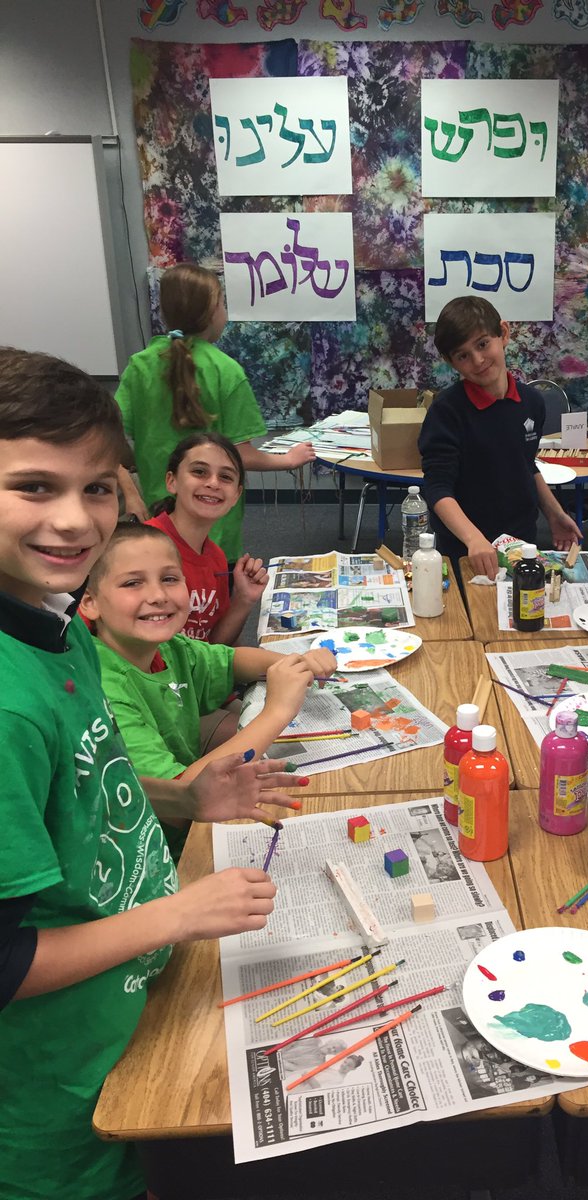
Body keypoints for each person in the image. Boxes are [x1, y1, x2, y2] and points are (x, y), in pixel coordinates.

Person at [0, 347, 297, 1200]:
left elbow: (96, 798)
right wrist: (176, 912)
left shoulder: (58, 635)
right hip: (58, 1099)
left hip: (134, 1006)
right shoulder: (10, 705)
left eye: (96, 487)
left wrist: (188, 799)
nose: (74, 520)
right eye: (34, 487)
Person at [81, 523, 336, 858]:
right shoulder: (102, 689)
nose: (158, 595)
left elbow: (232, 660)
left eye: (170, 579)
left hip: (189, 820)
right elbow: (182, 797)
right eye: (132, 583)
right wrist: (277, 711)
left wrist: (297, 662)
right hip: (149, 851)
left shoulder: (170, 648)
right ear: (89, 604)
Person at [115, 262, 315, 561]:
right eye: (222, 303)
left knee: (165, 585)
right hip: (214, 524)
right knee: (214, 587)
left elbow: (112, 443)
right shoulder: (227, 372)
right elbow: (241, 455)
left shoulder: (140, 366)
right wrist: (288, 460)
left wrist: (131, 491)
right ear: (211, 312)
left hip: (157, 520)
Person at [418, 296, 582, 579]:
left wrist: (554, 513)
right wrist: (473, 539)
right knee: (471, 620)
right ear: (451, 362)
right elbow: (437, 488)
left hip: (521, 543)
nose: (478, 360)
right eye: (463, 355)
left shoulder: (532, 402)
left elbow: (526, 464)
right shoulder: (446, 411)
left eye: (483, 344)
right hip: (466, 549)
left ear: (503, 334)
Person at [147, 432, 269, 644]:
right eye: (199, 472)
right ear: (172, 481)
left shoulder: (216, 557)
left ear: (236, 495)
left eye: (226, 477)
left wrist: (243, 599)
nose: (213, 483)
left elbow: (213, 645)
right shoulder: (143, 547)